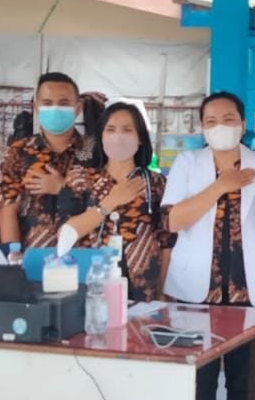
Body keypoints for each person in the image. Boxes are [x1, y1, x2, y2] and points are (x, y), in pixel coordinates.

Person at [162, 92, 255, 400]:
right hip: (194, 294)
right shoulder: (187, 163)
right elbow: (172, 221)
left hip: (248, 295)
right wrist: (221, 186)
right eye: (212, 121)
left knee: (244, 384)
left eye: (229, 119)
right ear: (202, 128)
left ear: (243, 123)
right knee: (199, 382)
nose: (220, 126)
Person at [60, 101, 174, 300]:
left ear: (140, 138)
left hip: (143, 289)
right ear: (101, 137)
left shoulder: (156, 183)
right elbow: (65, 233)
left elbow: (167, 242)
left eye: (127, 130)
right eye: (110, 129)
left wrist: (162, 291)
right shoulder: (80, 178)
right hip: (91, 285)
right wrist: (110, 202)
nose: (118, 136)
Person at [0, 72, 89, 253]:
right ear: (36, 107)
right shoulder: (19, 151)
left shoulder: (93, 151)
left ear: (78, 108)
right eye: (47, 103)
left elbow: (104, 203)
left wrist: (64, 188)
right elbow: (7, 211)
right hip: (31, 257)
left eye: (64, 103)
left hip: (83, 256)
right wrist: (14, 256)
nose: (55, 109)